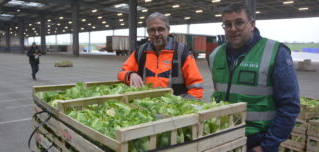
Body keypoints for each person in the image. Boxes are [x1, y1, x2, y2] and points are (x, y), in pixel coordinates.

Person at [208, 3, 300, 152]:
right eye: (227, 24)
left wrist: (267, 146)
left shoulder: (275, 53)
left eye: (239, 22)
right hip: (222, 138)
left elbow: (290, 106)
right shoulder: (215, 55)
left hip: (257, 142)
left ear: (252, 24)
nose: (233, 29)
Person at [117, 12, 204, 100]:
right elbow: (121, 73)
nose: (157, 34)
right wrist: (131, 74)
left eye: (161, 29)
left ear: (168, 30)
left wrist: (182, 107)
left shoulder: (182, 52)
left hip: (173, 110)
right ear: (148, 32)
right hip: (146, 106)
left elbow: (196, 87)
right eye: (152, 30)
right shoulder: (140, 52)